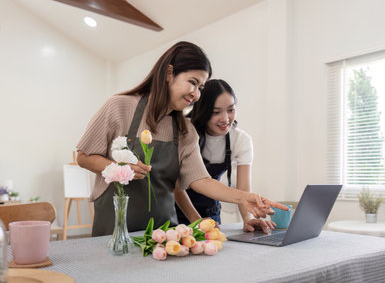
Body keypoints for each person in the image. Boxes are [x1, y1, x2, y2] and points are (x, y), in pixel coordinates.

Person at [76, 41, 287, 236]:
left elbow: (201, 181)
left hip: (164, 234)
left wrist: (245, 198)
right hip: (115, 230)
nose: (196, 94)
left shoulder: (185, 130)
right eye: (193, 83)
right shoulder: (119, 107)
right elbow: (84, 156)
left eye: (201, 88)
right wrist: (120, 168)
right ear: (169, 73)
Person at [175, 79, 275, 233]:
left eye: (231, 110)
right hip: (178, 212)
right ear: (202, 110)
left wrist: (248, 218)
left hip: (211, 214)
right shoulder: (185, 131)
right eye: (216, 112)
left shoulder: (240, 140)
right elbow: (175, 184)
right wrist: (195, 220)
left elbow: (243, 190)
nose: (225, 118)